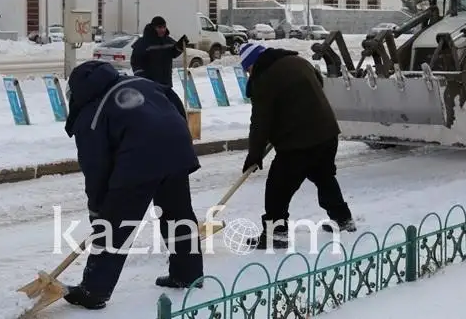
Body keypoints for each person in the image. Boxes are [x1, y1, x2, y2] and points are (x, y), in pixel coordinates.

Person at [62, 60, 204, 310]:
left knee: (115, 227)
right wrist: (177, 137)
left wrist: (98, 213)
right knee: (177, 214)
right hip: (176, 148)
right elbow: (172, 100)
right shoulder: (141, 82)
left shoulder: (91, 113)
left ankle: (94, 291)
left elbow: (96, 169)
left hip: (140, 159)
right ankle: (188, 274)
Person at [237, 42, 356, 250]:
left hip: (299, 142)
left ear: (253, 64)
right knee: (324, 177)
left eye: (248, 69)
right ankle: (343, 219)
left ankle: (277, 234)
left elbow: (260, 122)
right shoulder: (299, 61)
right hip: (327, 133)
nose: (249, 74)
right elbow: (318, 84)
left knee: (277, 188)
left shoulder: (264, 79)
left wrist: (254, 154)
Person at [131, 15, 188, 88]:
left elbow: (173, 53)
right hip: (150, 85)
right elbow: (135, 62)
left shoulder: (168, 40)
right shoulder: (143, 43)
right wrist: (142, 78)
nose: (163, 30)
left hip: (166, 83)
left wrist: (180, 47)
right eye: (159, 27)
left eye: (164, 27)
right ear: (153, 28)